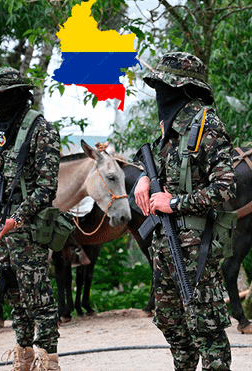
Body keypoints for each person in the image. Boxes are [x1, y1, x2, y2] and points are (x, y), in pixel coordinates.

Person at [133, 52, 237, 370]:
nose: (160, 94)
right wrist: (144, 176)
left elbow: (225, 188)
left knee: (206, 329)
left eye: (166, 86)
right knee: (170, 322)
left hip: (196, 246)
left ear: (184, 89)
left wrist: (174, 203)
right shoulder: (171, 129)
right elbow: (164, 167)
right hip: (165, 244)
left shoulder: (207, 126)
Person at [0, 66, 61, 371]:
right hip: (5, 225)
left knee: (38, 294)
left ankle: (47, 358)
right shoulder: (7, 129)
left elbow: (47, 188)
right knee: (12, 289)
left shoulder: (42, 130)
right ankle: (23, 355)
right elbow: (6, 168)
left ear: (14, 96)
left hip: (29, 226)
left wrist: (18, 218)